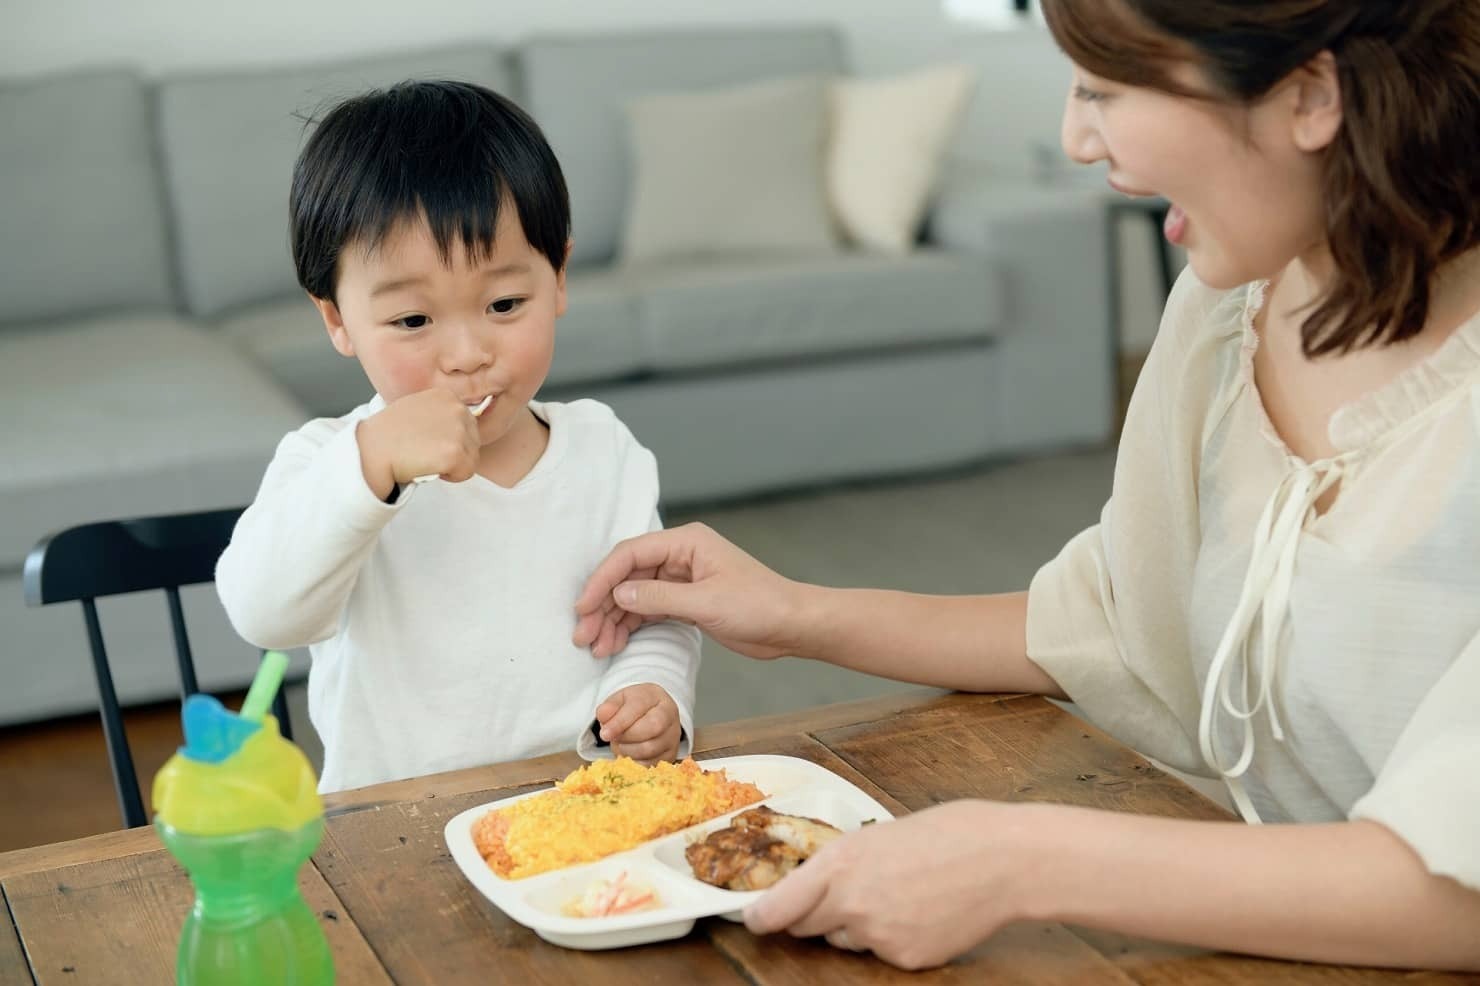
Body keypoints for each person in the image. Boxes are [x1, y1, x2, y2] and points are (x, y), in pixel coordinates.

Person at [572, 0, 1480, 971]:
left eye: (1103, 86)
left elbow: (1449, 893)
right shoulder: (1232, 304)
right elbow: (1113, 621)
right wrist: (793, 611)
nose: (1074, 137)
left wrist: (1020, 859)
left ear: (1308, 96)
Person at [217, 80, 699, 793]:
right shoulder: (329, 462)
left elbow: (654, 615)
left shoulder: (604, 450)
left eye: (505, 303)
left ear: (559, 278)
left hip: (581, 812)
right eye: (414, 321)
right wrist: (372, 464)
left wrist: (653, 689)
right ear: (337, 321)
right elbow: (265, 614)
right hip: (394, 837)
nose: (468, 353)